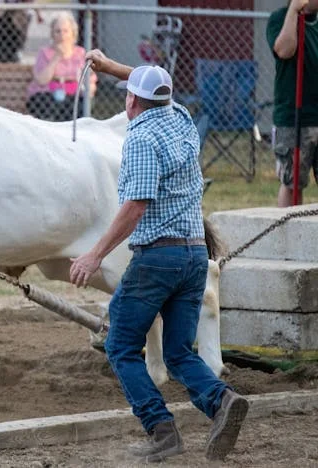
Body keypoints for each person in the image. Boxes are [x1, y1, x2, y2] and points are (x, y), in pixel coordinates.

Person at [68, 50, 249, 463]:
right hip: (194, 256)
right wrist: (112, 67)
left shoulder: (140, 139)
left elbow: (136, 206)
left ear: (131, 100)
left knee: (120, 346)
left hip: (157, 259)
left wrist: (95, 255)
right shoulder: (180, 117)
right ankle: (221, 401)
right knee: (179, 352)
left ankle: (161, 430)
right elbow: (151, 82)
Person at [267, 0, 318, 207]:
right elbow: (285, 50)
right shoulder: (280, 19)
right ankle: (288, 225)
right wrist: (294, 11)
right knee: (292, 182)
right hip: (294, 118)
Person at [25, 11, 96, 122]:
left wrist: (89, 89)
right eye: (57, 31)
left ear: (73, 33)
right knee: (44, 102)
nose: (62, 35)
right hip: (47, 95)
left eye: (65, 31)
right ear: (52, 34)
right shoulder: (44, 53)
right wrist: (56, 57)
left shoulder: (81, 53)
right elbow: (42, 81)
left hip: (73, 96)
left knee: (80, 104)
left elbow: (90, 81)